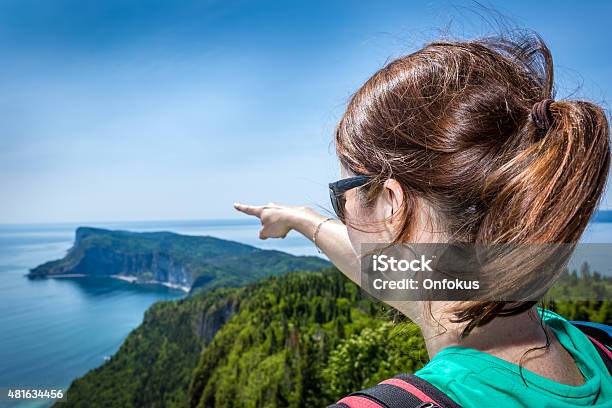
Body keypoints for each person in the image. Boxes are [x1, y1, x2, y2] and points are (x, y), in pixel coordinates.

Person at [234, 31, 612, 407]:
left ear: (389, 202)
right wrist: (301, 220)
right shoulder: (598, 347)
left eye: (343, 193)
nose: (343, 208)